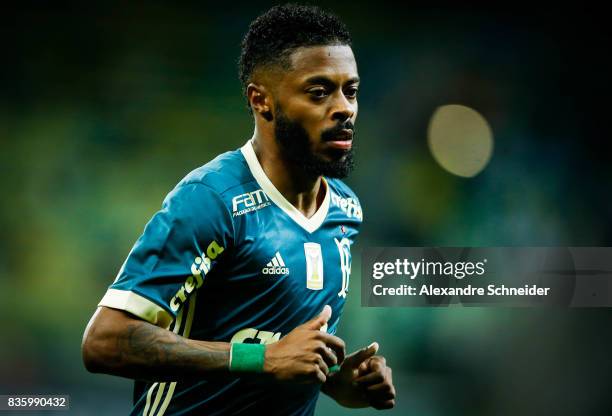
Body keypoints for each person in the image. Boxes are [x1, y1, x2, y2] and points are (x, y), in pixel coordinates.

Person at [82, 4, 395, 415]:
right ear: (261, 100)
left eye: (350, 91)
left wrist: (335, 379)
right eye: (319, 92)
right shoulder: (211, 199)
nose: (344, 108)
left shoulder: (344, 209)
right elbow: (105, 341)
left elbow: (280, 351)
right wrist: (261, 361)